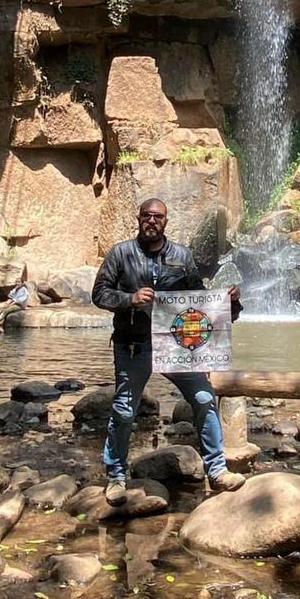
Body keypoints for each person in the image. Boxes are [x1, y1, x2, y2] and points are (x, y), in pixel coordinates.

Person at [91, 198, 243, 506]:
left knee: (203, 398)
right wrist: (130, 298)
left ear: (166, 222)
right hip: (133, 345)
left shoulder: (182, 256)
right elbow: (99, 294)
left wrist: (228, 302)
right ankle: (116, 476)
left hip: (177, 347)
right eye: (146, 215)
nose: (151, 221)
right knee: (123, 410)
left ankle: (217, 470)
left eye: (157, 217)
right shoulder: (121, 253)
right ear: (138, 218)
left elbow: (199, 302)